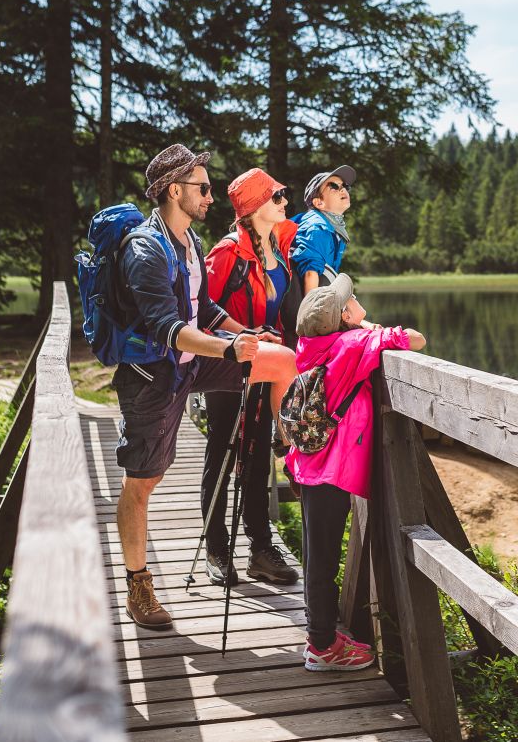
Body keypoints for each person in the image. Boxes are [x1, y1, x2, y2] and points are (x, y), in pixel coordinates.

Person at [113, 144, 297, 630]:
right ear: (175, 190)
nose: (212, 197)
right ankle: (139, 586)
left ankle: (297, 447)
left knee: (281, 360)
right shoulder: (146, 249)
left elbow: (204, 310)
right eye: (203, 187)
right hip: (154, 377)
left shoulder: (189, 241)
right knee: (143, 482)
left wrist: (242, 334)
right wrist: (229, 350)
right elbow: (167, 329)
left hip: (194, 363)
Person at [286, 274, 426, 671]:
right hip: (330, 470)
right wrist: (366, 328)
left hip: (308, 464)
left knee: (317, 555)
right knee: (323, 560)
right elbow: (416, 340)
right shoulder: (351, 346)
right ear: (345, 317)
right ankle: (322, 647)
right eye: (350, 300)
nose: (354, 298)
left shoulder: (312, 346)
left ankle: (321, 633)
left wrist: (355, 326)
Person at [200, 168, 300, 587]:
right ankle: (216, 549)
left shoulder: (281, 247)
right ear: (255, 205)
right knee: (222, 449)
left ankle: (261, 549)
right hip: (228, 362)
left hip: (267, 362)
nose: (284, 202)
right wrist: (241, 335)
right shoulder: (227, 253)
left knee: (258, 455)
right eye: (276, 196)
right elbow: (198, 314)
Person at [290, 165, 356, 295]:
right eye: (334, 186)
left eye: (344, 186)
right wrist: (312, 313)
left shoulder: (331, 226)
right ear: (319, 203)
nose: (342, 190)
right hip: (307, 304)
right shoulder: (317, 228)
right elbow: (310, 273)